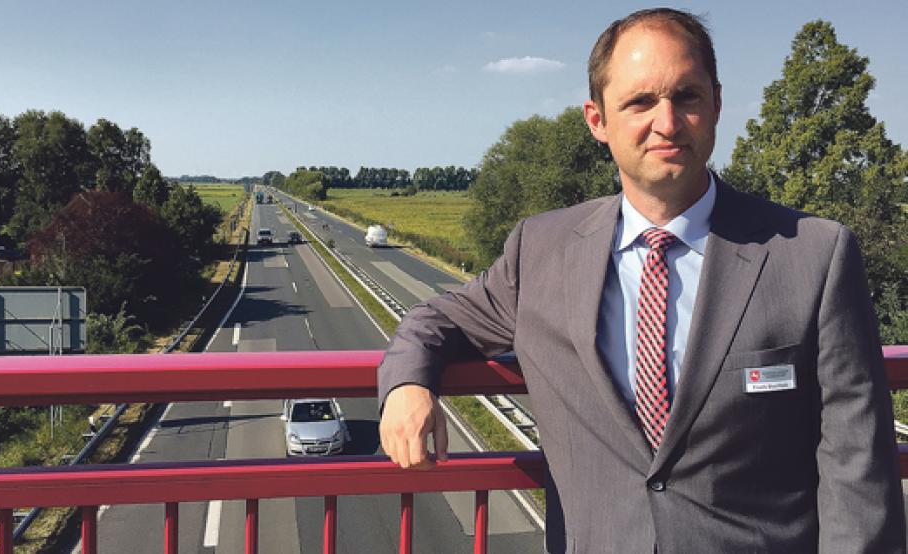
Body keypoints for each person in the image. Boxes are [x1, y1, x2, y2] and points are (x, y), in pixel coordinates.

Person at [377, 8, 905, 553]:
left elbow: (858, 466)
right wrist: (409, 384)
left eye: (688, 96)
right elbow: (436, 318)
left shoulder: (814, 255)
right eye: (640, 102)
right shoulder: (541, 250)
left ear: (717, 103)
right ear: (597, 120)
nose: (668, 123)